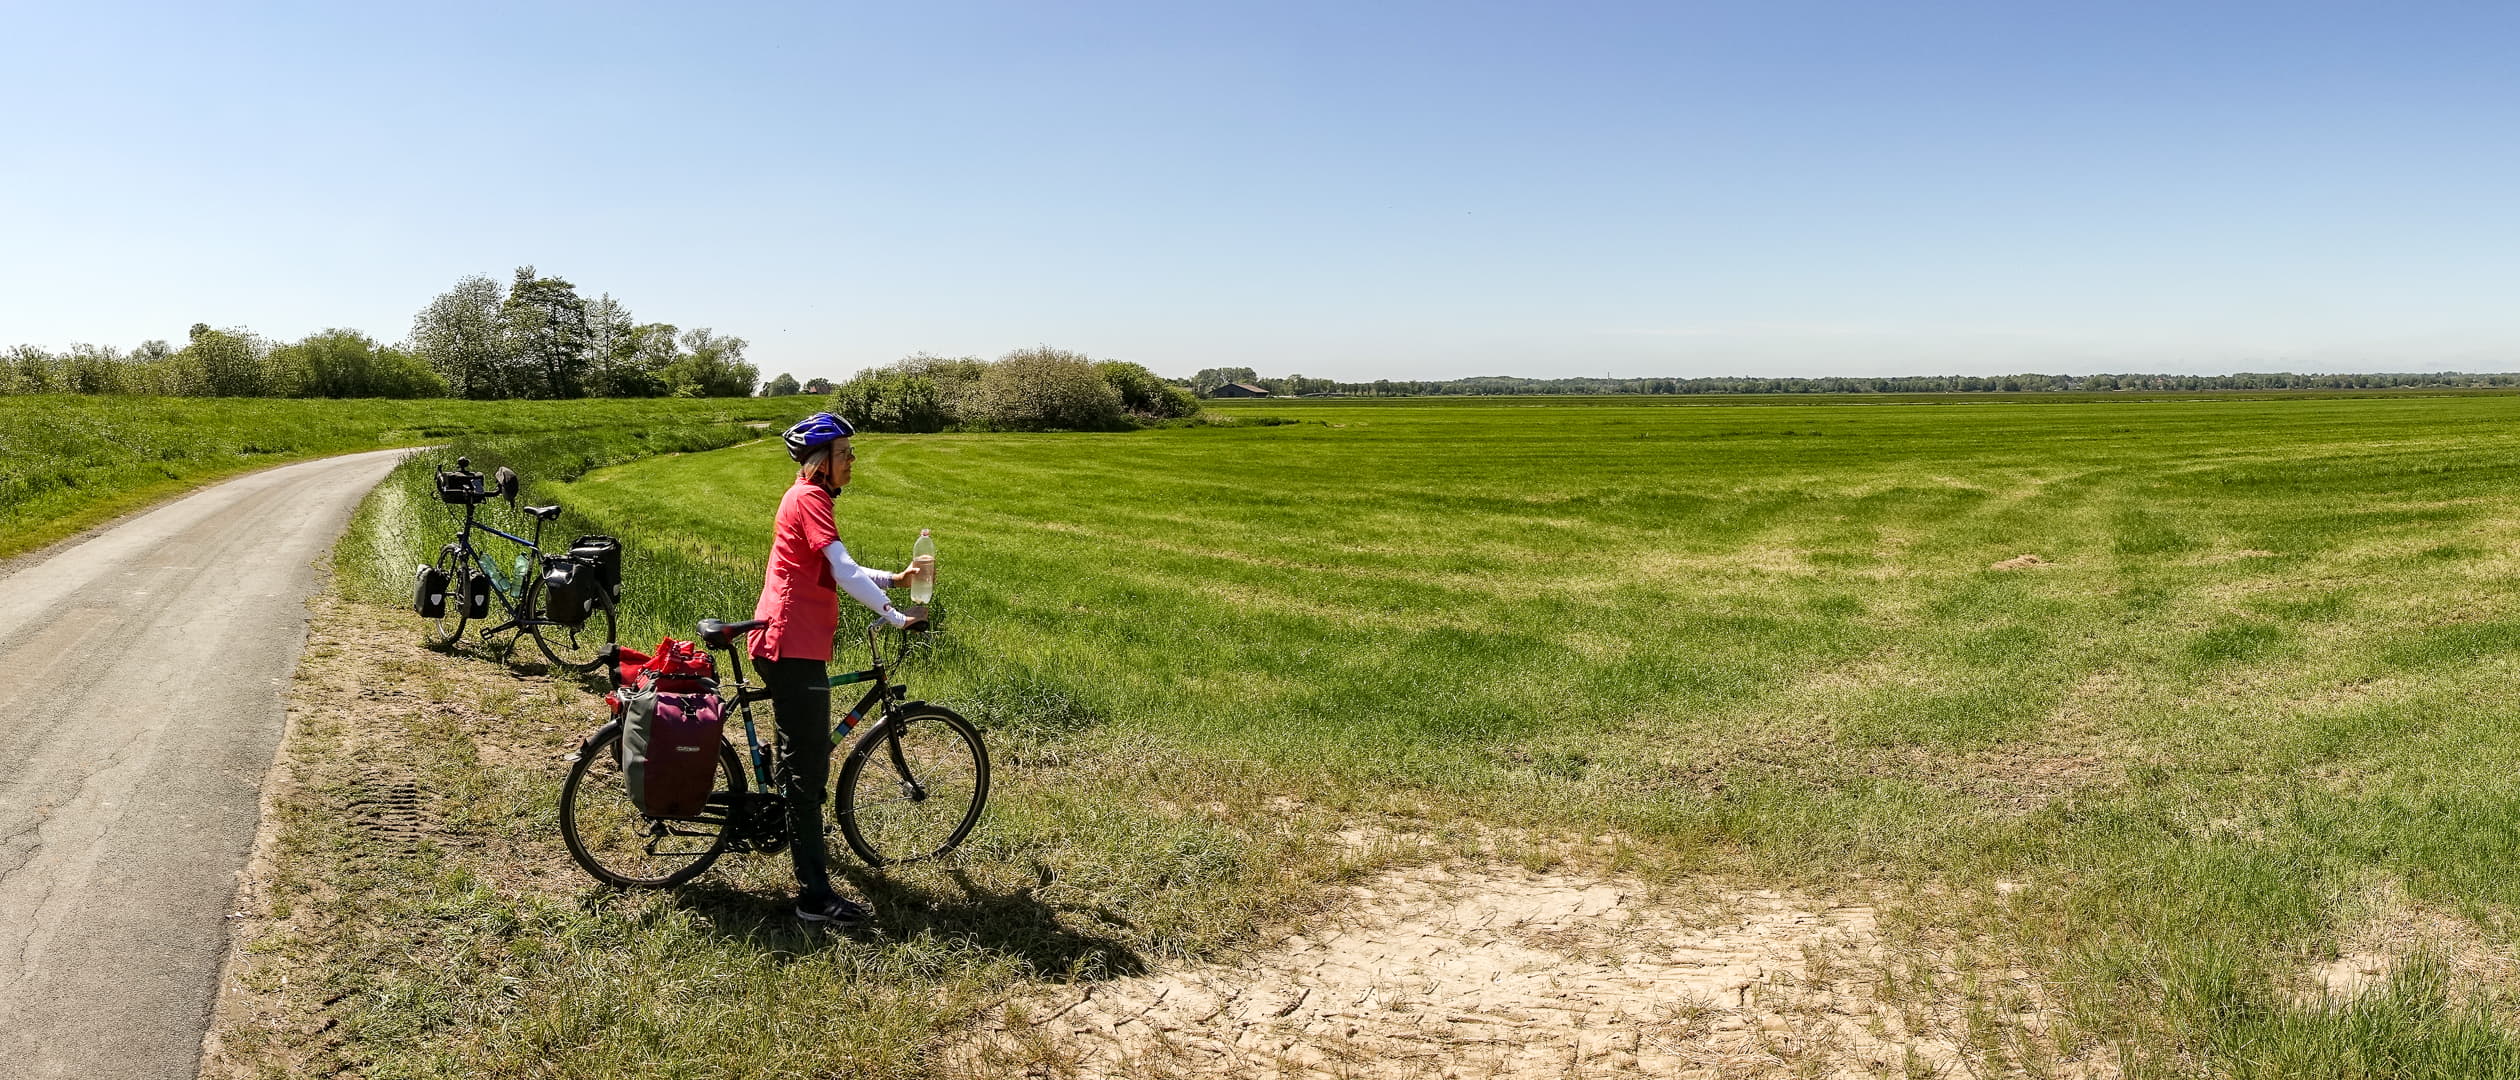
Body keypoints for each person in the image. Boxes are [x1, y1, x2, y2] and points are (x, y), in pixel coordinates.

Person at [747, 412, 929, 925]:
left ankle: (794, 831)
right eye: (845, 452)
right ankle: (813, 898)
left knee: (798, 759)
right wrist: (894, 616)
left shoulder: (808, 497)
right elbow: (843, 568)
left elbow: (832, 567)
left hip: (791, 642)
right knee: (807, 775)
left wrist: (893, 579)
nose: (852, 460)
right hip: (791, 645)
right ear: (821, 461)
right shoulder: (809, 498)